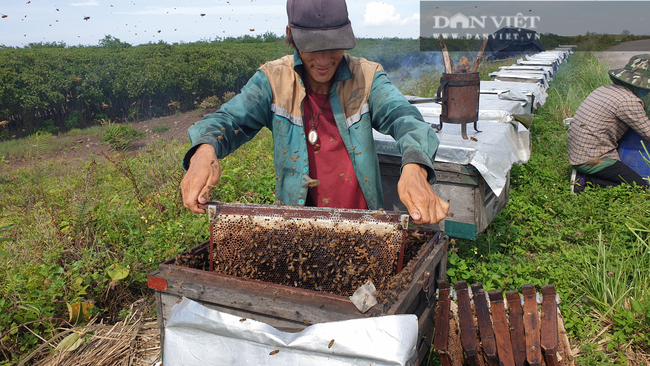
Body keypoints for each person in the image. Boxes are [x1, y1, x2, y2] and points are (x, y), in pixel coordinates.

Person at [180, 0, 450, 224]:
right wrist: (204, 152)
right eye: (311, 47)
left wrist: (415, 165)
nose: (323, 61)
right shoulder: (273, 80)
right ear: (291, 34)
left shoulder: (367, 78)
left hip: (363, 226)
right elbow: (227, 120)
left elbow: (405, 118)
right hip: (297, 227)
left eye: (332, 45)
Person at [568, 54, 650, 192]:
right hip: (593, 158)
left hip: (578, 152)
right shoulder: (629, 101)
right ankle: (584, 181)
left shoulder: (604, 89)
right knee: (641, 188)